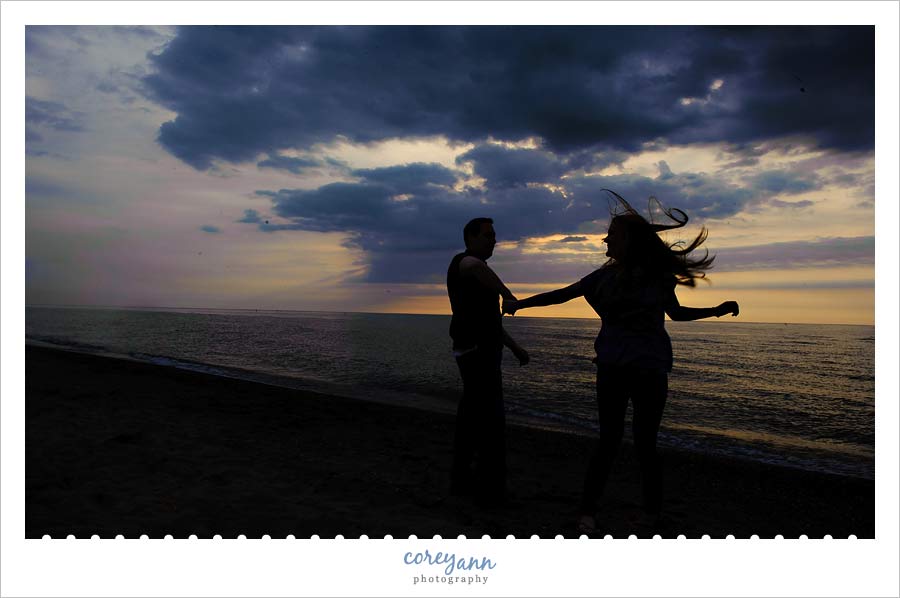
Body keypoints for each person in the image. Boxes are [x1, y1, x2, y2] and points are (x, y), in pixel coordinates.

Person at [503, 191, 739, 532]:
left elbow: (676, 313)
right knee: (609, 442)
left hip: (650, 370)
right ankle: (588, 510)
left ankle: (651, 513)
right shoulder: (601, 278)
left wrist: (714, 310)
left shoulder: (658, 277)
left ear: (628, 240)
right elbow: (561, 295)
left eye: (611, 235)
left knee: (645, 444)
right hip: (613, 368)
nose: (605, 240)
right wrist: (521, 304)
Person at [447, 217, 529, 507]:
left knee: (473, 417)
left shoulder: (481, 274)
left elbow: (490, 322)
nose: (493, 240)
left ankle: (466, 478)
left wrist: (515, 347)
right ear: (470, 238)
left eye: (494, 235)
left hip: (483, 350)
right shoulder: (465, 262)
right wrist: (508, 295)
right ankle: (489, 486)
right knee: (490, 420)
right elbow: (473, 266)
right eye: (487, 235)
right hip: (475, 353)